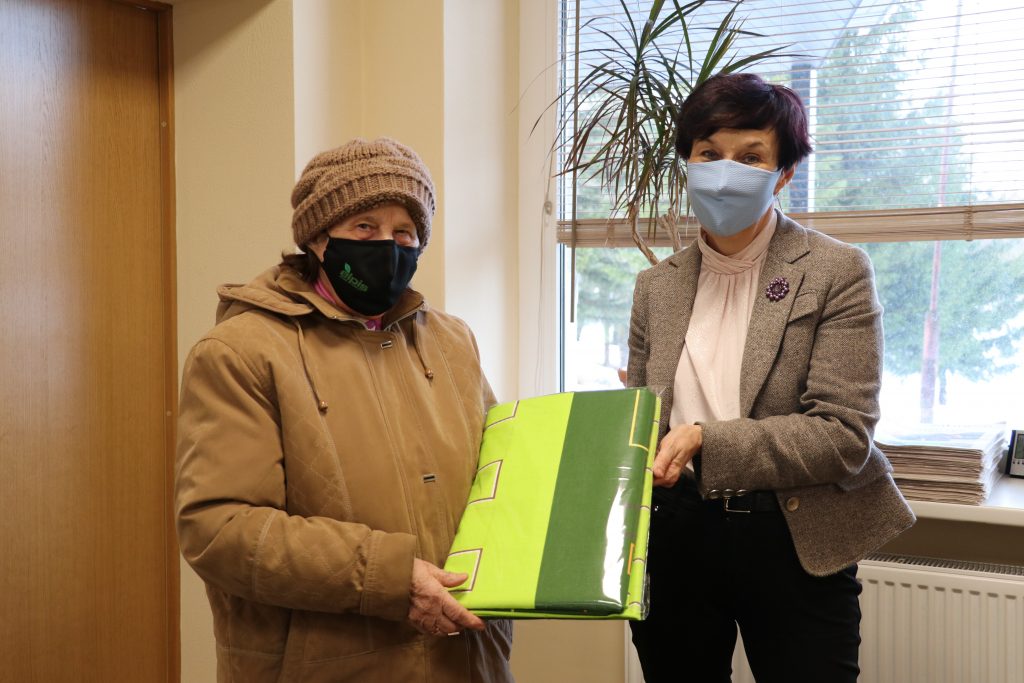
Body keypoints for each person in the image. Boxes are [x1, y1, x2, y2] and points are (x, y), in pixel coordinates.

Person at [175, 138, 513, 682]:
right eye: (364, 227)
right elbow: (219, 529)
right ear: (317, 237)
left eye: (404, 232)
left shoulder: (453, 342)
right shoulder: (241, 351)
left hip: (466, 662)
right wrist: (388, 576)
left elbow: (500, 476)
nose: (388, 246)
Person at [626, 73, 915, 682]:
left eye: (751, 156)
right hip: (675, 534)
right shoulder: (655, 286)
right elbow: (641, 419)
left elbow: (842, 434)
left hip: (793, 532)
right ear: (687, 165)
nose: (725, 171)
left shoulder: (835, 270)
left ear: (783, 174)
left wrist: (705, 438)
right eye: (709, 153)